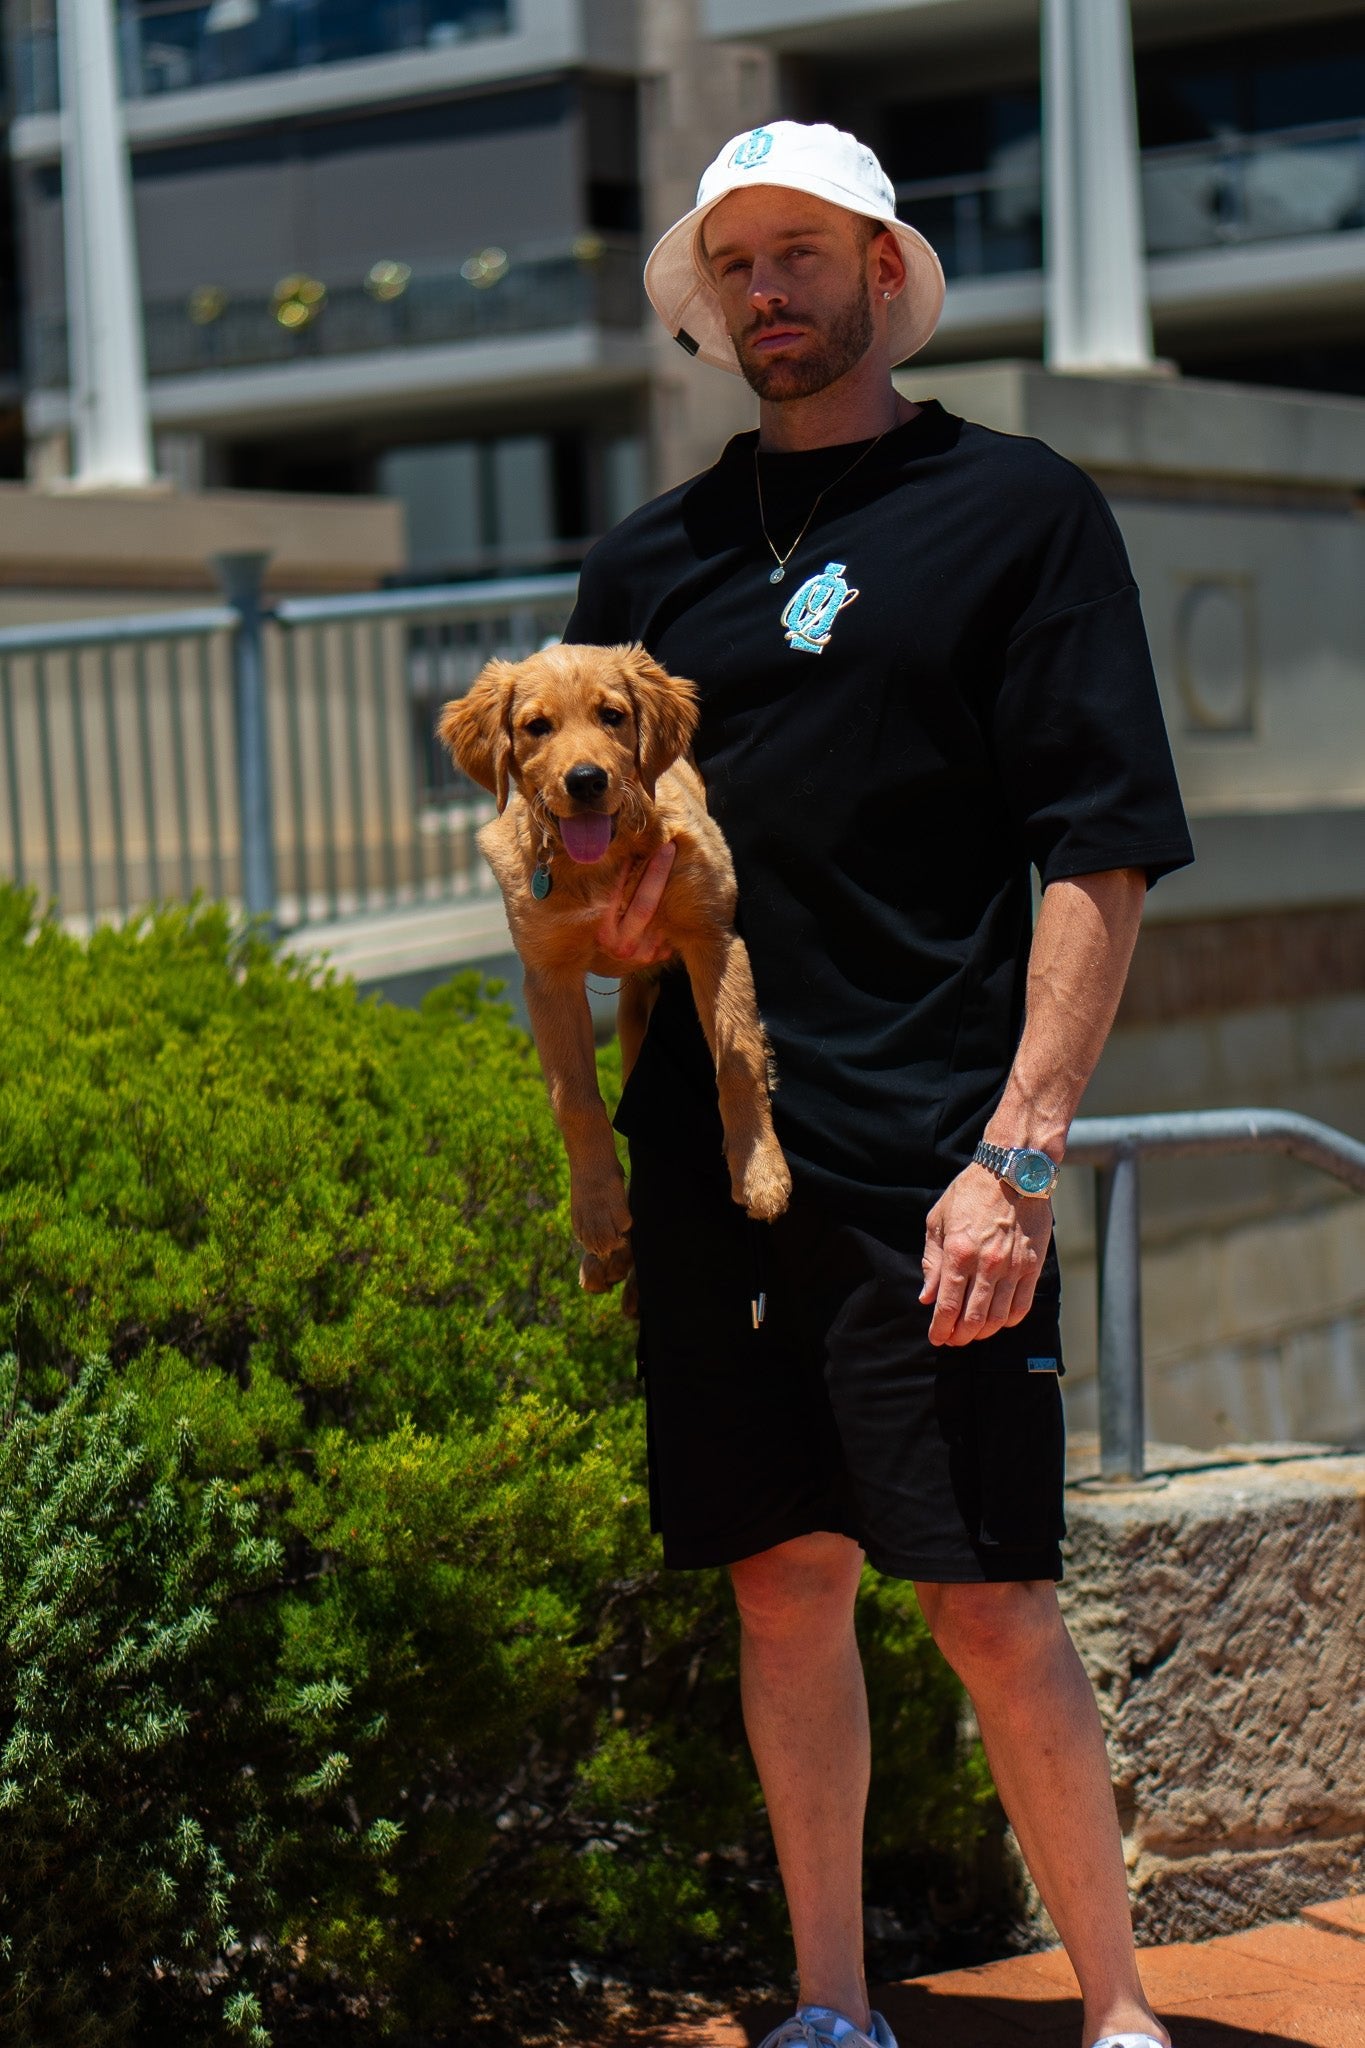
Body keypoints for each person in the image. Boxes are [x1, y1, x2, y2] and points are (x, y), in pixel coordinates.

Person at [562, 120, 1193, 2048]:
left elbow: (1099, 849)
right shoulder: (646, 561)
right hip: (715, 1161)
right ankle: (833, 2008)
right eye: (735, 263)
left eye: (801, 254)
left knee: (987, 1599)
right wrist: (604, 933)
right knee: (779, 1586)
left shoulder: (1016, 512)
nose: (767, 291)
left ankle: (1117, 2014)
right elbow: (589, 866)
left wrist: (1020, 1154)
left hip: (938, 1159)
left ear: (882, 271)